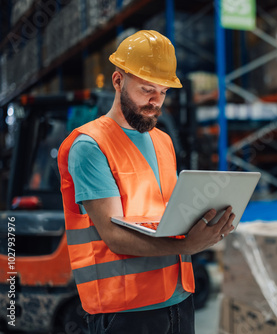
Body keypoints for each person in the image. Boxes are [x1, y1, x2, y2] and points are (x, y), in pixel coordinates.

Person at [58, 30, 234, 334]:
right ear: (118, 81)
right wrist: (189, 245)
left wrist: (208, 222)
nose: (155, 102)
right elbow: (113, 236)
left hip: (178, 297)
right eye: (146, 89)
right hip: (125, 310)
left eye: (163, 92)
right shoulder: (90, 146)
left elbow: (168, 214)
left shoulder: (162, 141)